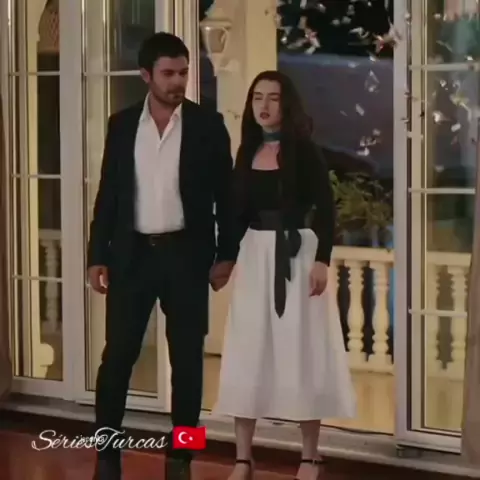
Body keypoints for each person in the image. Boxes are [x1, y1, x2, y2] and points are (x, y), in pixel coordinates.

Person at [87, 32, 236, 480]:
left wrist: (227, 254)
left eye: (183, 73)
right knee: (117, 358)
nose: (178, 82)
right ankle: (106, 454)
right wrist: (97, 255)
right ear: (145, 75)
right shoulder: (121, 125)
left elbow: (228, 197)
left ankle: (182, 457)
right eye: (168, 73)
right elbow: (109, 196)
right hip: (132, 257)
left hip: (186, 258)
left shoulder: (208, 125)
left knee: (188, 364)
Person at [213, 70, 356, 480]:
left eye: (273, 98)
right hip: (255, 256)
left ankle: (309, 457)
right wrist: (225, 259)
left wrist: (322, 260)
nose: (264, 105)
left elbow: (325, 210)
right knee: (247, 350)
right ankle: (243, 458)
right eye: (257, 97)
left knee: (302, 349)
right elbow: (236, 215)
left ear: (286, 103)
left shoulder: (305, 152)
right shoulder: (246, 151)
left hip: (297, 255)